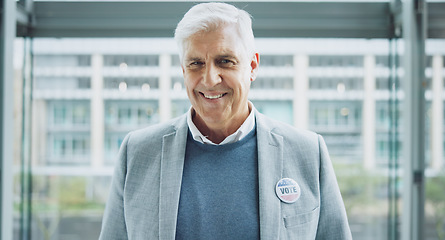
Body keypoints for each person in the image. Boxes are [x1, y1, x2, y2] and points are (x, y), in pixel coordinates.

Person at [99, 2, 352, 239]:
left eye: (225, 61)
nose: (209, 79)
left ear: (252, 66)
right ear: (183, 70)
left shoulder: (308, 152)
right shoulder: (137, 152)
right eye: (196, 63)